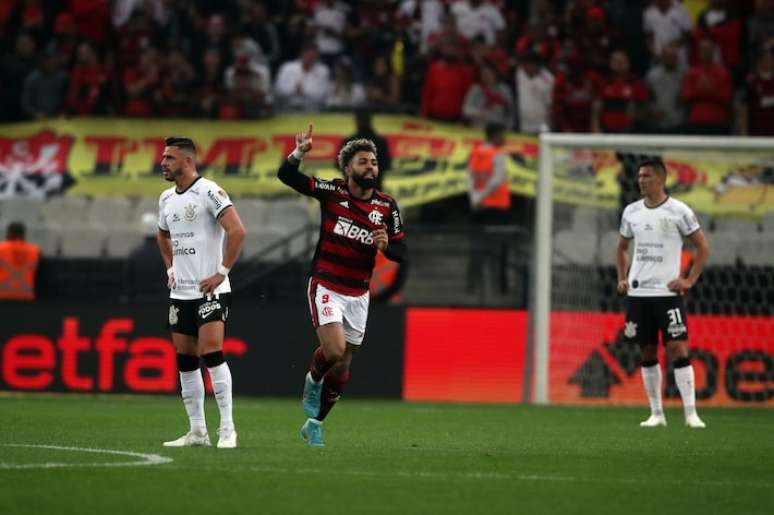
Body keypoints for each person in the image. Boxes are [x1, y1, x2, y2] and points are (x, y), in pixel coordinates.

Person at [278, 124, 407, 447]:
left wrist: (386, 246)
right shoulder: (332, 191)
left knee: (345, 363)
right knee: (334, 351)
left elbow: (403, 252)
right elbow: (287, 176)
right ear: (347, 168)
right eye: (363, 162)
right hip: (326, 282)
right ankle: (312, 379)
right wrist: (299, 153)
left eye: (373, 162)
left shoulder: (387, 207)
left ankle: (315, 423)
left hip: (358, 292)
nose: (370, 167)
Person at [156, 137, 246, 448]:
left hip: (212, 291)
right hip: (180, 293)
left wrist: (221, 272)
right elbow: (162, 234)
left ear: (187, 161)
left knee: (212, 352)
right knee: (185, 359)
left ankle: (227, 429)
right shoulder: (166, 198)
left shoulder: (209, 191)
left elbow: (237, 231)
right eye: (163, 157)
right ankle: (197, 431)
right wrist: (170, 269)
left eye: (169, 157)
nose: (163, 162)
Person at [616, 159, 710, 429]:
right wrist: (622, 278)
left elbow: (702, 247)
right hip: (638, 294)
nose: (640, 180)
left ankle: (691, 414)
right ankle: (656, 413)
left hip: (667, 294)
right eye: (639, 176)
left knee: (678, 347)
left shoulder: (679, 211)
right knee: (646, 351)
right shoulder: (631, 211)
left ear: (661, 179)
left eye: (646, 176)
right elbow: (622, 248)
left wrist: (688, 280)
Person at [466, 122, 511, 294]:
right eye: (502, 135)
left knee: (476, 248)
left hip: (478, 208)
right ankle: (500, 287)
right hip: (498, 208)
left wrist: (475, 199)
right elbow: (496, 181)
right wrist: (482, 197)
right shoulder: (498, 154)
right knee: (499, 250)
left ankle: (472, 285)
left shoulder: (476, 152)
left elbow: (470, 177)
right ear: (494, 136)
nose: (505, 139)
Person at [338, 109, 392, 191]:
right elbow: (387, 164)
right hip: (375, 190)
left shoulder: (348, 141)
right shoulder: (381, 141)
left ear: (357, 121)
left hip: (353, 191)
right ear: (370, 121)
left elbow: (339, 164)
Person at [0, 221, 40, 301]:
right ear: (23, 235)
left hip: (2, 296)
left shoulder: (1, 249)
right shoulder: (35, 251)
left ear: (9, 233)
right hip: (26, 296)